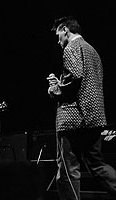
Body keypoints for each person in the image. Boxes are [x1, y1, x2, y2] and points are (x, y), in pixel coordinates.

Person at [47, 16, 116, 200]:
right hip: (94, 118)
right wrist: (61, 82)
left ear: (65, 29)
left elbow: (74, 79)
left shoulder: (71, 48)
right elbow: (84, 82)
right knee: (97, 165)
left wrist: (54, 90)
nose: (58, 40)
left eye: (58, 35)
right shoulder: (92, 50)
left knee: (68, 171)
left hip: (73, 120)